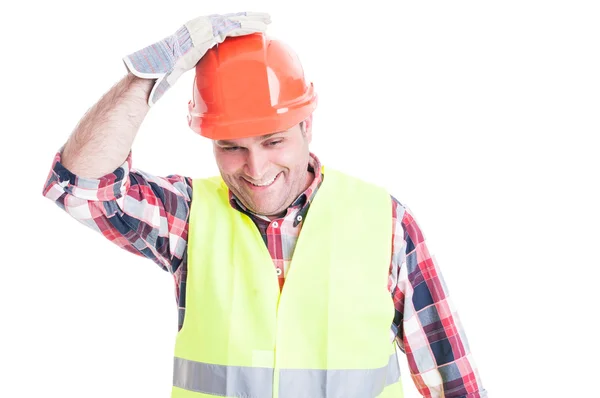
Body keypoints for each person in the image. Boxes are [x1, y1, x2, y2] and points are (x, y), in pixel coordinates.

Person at [42, 11, 487, 398]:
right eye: (231, 147)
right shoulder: (190, 217)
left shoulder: (385, 222)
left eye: (272, 141)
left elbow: (453, 378)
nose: (254, 168)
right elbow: (81, 186)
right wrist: (147, 74)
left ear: (306, 125)